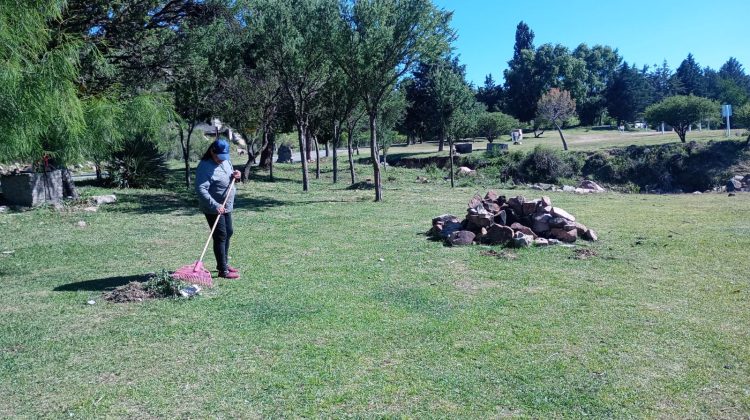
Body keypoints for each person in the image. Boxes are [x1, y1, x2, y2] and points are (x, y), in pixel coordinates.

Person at [195, 139, 242, 279]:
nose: (221, 160)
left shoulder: (225, 161)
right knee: (221, 235)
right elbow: (200, 189)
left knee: (228, 232)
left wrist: (237, 176)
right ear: (212, 152)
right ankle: (223, 270)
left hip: (226, 205)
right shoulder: (205, 166)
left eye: (224, 157)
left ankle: (224, 263)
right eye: (219, 157)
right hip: (213, 207)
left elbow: (231, 175)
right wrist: (215, 205)